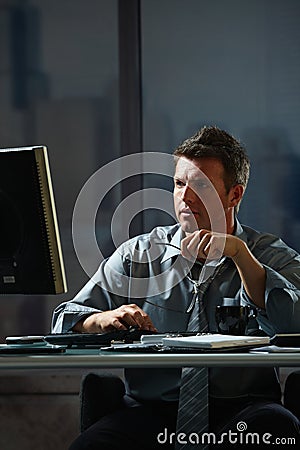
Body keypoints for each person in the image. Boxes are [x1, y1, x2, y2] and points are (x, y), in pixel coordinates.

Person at [52, 126, 300, 449]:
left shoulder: (269, 254)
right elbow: (62, 319)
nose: (185, 197)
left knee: (277, 428)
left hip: (243, 411)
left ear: (234, 195)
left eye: (200, 185)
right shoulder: (138, 256)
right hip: (150, 414)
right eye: (179, 184)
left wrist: (240, 254)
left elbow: (292, 322)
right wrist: (99, 320)